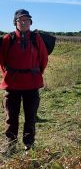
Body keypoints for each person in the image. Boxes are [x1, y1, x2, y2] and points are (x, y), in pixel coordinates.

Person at [0, 9, 48, 155]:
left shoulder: (36, 38)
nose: (24, 22)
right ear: (15, 22)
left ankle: (29, 145)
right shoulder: (9, 38)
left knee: (31, 117)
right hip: (12, 85)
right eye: (21, 20)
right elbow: (2, 61)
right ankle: (11, 144)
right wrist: (9, 75)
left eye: (26, 20)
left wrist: (34, 74)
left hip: (31, 85)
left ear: (30, 22)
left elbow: (43, 59)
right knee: (11, 118)